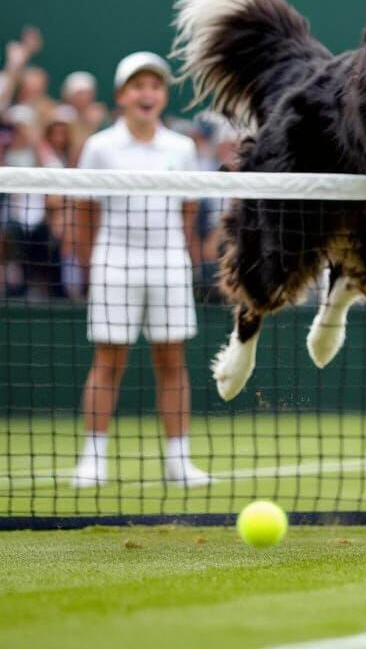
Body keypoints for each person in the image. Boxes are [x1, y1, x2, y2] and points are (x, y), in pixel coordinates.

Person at [69, 52, 210, 488]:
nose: (147, 93)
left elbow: (189, 210)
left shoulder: (182, 148)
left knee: (172, 360)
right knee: (108, 360)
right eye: (138, 86)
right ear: (122, 96)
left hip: (168, 263)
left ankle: (178, 461)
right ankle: (92, 460)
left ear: (163, 96)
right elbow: (85, 209)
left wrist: (178, 252)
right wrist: (96, 259)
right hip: (115, 261)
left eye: (155, 86)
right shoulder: (99, 146)